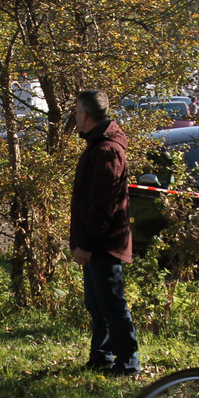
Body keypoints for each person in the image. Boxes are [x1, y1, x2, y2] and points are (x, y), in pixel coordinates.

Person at [69, 89, 140, 376]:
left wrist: (86, 244)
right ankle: (101, 357)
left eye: (76, 112)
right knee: (97, 303)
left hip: (104, 243)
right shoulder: (97, 144)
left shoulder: (106, 150)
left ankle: (128, 363)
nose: (75, 118)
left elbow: (102, 205)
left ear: (85, 114)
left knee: (112, 304)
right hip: (96, 241)